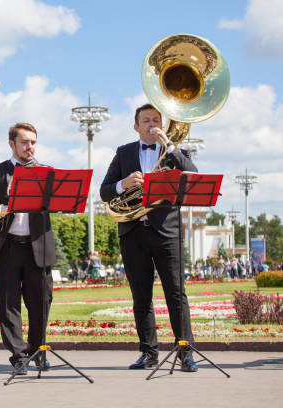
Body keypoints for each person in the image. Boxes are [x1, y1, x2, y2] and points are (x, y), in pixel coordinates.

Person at [100, 103, 198, 372]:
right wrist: (123, 184)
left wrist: (173, 148)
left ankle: (185, 352)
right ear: (136, 126)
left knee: (176, 295)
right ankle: (148, 352)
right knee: (141, 297)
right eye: (146, 120)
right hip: (133, 234)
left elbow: (194, 175)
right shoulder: (124, 153)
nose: (152, 124)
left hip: (167, 233)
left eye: (156, 120)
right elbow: (104, 191)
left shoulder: (173, 152)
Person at [0, 122, 56, 375]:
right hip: (7, 246)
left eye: (33, 142)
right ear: (12, 144)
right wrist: (6, 200)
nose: (29, 147)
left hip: (38, 246)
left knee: (41, 301)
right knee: (8, 304)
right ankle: (19, 354)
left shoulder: (46, 171)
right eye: (24, 142)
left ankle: (38, 350)